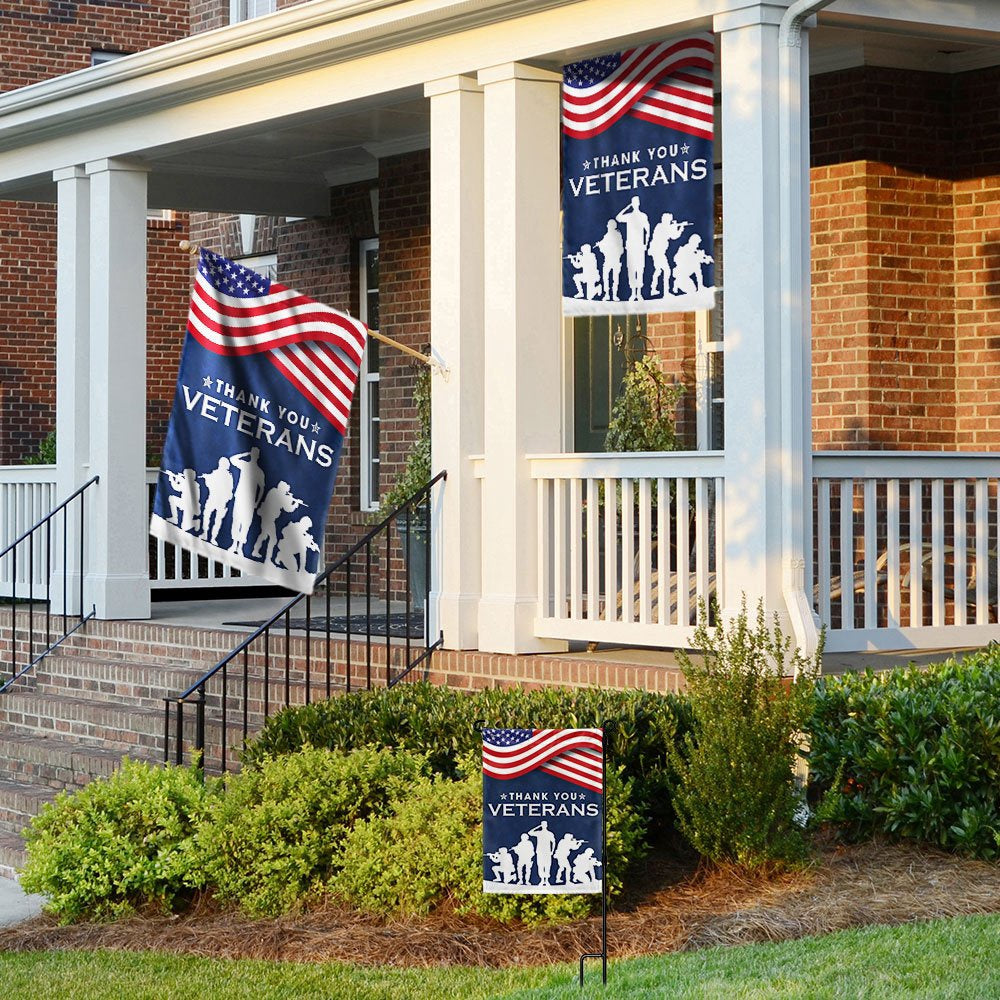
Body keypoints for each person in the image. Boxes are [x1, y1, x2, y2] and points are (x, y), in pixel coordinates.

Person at [252, 480, 305, 564]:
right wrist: (295, 503)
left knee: (264, 535)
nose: (287, 492)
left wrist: (292, 501)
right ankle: (267, 557)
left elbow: (287, 508)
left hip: (268, 518)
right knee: (272, 539)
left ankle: (257, 551)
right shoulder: (276, 493)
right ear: (283, 488)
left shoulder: (274, 491)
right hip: (268, 518)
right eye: (287, 490)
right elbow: (288, 509)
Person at [227, 447, 265, 555]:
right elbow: (233, 459)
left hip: (250, 501)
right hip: (239, 497)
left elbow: (261, 488)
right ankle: (234, 544)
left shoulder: (259, 472)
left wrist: (257, 502)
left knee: (245, 523)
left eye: (254, 454)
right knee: (236, 520)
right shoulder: (245, 465)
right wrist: (246, 453)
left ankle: (240, 547)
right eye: (252, 454)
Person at [615, 196, 651, 301]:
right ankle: (632, 292)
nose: (635, 204)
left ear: (638, 204)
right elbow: (618, 217)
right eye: (633, 203)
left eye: (636, 202)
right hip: (630, 245)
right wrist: (627, 207)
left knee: (640, 268)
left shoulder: (643, 216)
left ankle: (639, 292)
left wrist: (646, 243)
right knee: (631, 269)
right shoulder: (629, 216)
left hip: (640, 246)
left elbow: (647, 230)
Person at [648, 213, 690, 296]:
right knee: (667, 271)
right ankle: (665, 292)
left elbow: (673, 235)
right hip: (658, 252)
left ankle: (653, 289)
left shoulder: (661, 226)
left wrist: (678, 227)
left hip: (657, 252)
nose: (670, 221)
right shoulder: (662, 227)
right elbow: (674, 236)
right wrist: (678, 228)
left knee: (658, 270)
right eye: (669, 220)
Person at [198, 457, 234, 546]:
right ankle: (205, 534)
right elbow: (209, 486)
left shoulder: (228, 476)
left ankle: (213, 538)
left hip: (221, 502)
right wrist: (207, 478)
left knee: (217, 520)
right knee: (207, 516)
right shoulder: (215, 473)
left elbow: (230, 491)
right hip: (212, 499)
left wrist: (208, 479)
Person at [163, 468, 201, 533]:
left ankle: (196, 522)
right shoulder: (187, 482)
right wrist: (173, 479)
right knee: (172, 498)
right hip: (184, 503)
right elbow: (177, 487)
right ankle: (175, 518)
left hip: (190, 507)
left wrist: (174, 479)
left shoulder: (193, 484)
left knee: (184, 528)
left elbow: (177, 487)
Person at [595, 220, 624, 301]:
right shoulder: (606, 236)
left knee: (615, 278)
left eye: (610, 225)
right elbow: (603, 250)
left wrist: (603, 247)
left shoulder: (617, 235)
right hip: (607, 260)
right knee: (606, 278)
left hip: (615, 260)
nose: (609, 227)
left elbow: (620, 249)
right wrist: (600, 246)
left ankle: (614, 295)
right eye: (609, 225)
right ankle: (607, 294)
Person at [528, 821, 557, 887]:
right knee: (540, 865)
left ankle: (546, 880)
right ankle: (541, 880)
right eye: (542, 825)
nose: (543, 825)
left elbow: (554, 842)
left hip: (547, 851)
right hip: (540, 851)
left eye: (544, 824)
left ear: (546, 825)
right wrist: (538, 826)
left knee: (547, 865)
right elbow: (530, 833)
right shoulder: (539, 833)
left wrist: (552, 851)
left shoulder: (550, 833)